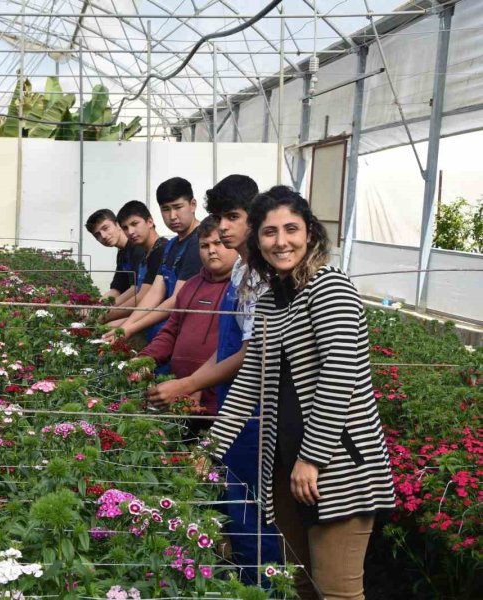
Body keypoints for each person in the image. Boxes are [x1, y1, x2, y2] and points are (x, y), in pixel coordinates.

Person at [207, 186, 396, 600]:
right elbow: (249, 382)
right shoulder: (272, 300)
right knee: (300, 585)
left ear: (309, 232)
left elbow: (339, 376)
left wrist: (311, 458)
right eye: (269, 232)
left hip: (336, 468)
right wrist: (210, 449)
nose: (281, 241)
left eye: (291, 229)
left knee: (337, 592)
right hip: (286, 469)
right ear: (257, 240)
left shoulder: (330, 288)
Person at [169, 174, 282, 584]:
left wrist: (186, 384)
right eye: (219, 217)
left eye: (232, 217)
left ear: (255, 216)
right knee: (236, 504)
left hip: (257, 410)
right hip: (234, 406)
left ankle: (265, 587)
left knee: (254, 510)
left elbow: (251, 355)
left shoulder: (265, 278)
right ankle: (246, 581)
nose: (223, 228)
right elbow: (228, 345)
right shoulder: (242, 273)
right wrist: (197, 381)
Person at [140, 216, 238, 425]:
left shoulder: (240, 291)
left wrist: (197, 384)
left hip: (219, 402)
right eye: (204, 245)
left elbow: (235, 350)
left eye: (218, 243)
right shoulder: (191, 286)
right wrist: (144, 361)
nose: (211, 250)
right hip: (179, 395)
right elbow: (170, 332)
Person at [105, 178, 202, 342]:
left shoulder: (200, 241)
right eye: (165, 209)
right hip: (164, 330)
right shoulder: (171, 245)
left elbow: (177, 299)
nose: (172, 216)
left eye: (178, 207)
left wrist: (130, 327)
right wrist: (126, 326)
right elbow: (155, 293)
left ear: (192, 205)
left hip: (187, 332)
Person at [100, 200, 167, 328]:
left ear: (150, 222)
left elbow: (143, 297)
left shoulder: (160, 250)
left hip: (157, 322)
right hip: (143, 316)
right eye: (125, 228)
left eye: (135, 224)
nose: (130, 232)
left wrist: (105, 315)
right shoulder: (145, 252)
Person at [85, 208, 146, 302]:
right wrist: (96, 306)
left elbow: (136, 289)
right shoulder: (122, 253)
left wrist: (106, 308)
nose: (103, 236)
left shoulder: (137, 248)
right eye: (97, 235)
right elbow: (117, 289)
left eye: (105, 228)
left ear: (118, 224)